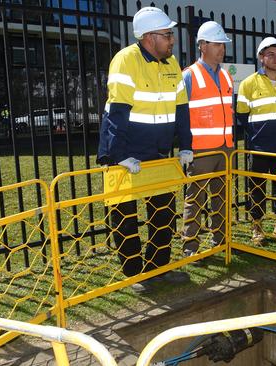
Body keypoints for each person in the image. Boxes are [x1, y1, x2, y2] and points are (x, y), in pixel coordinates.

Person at [96, 6, 193, 293]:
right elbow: (117, 112)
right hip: (124, 152)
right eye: (167, 35)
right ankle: (134, 273)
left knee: (163, 212)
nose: (172, 40)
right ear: (149, 37)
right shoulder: (125, 60)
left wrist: (186, 146)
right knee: (124, 213)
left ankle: (159, 267)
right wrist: (119, 155)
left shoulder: (171, 63)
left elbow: (181, 109)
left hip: (158, 152)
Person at [236, 37, 276, 246]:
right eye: (270, 54)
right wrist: (257, 135)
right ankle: (257, 226)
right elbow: (242, 114)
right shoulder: (248, 83)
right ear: (261, 57)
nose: (275, 58)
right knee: (257, 189)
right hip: (259, 148)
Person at [181, 21, 234, 256]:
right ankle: (190, 247)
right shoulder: (189, 76)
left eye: (223, 44)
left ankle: (221, 241)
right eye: (216, 44)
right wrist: (185, 146)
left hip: (225, 149)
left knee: (222, 198)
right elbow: (180, 116)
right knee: (195, 199)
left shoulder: (226, 76)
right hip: (201, 151)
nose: (221, 48)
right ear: (202, 45)